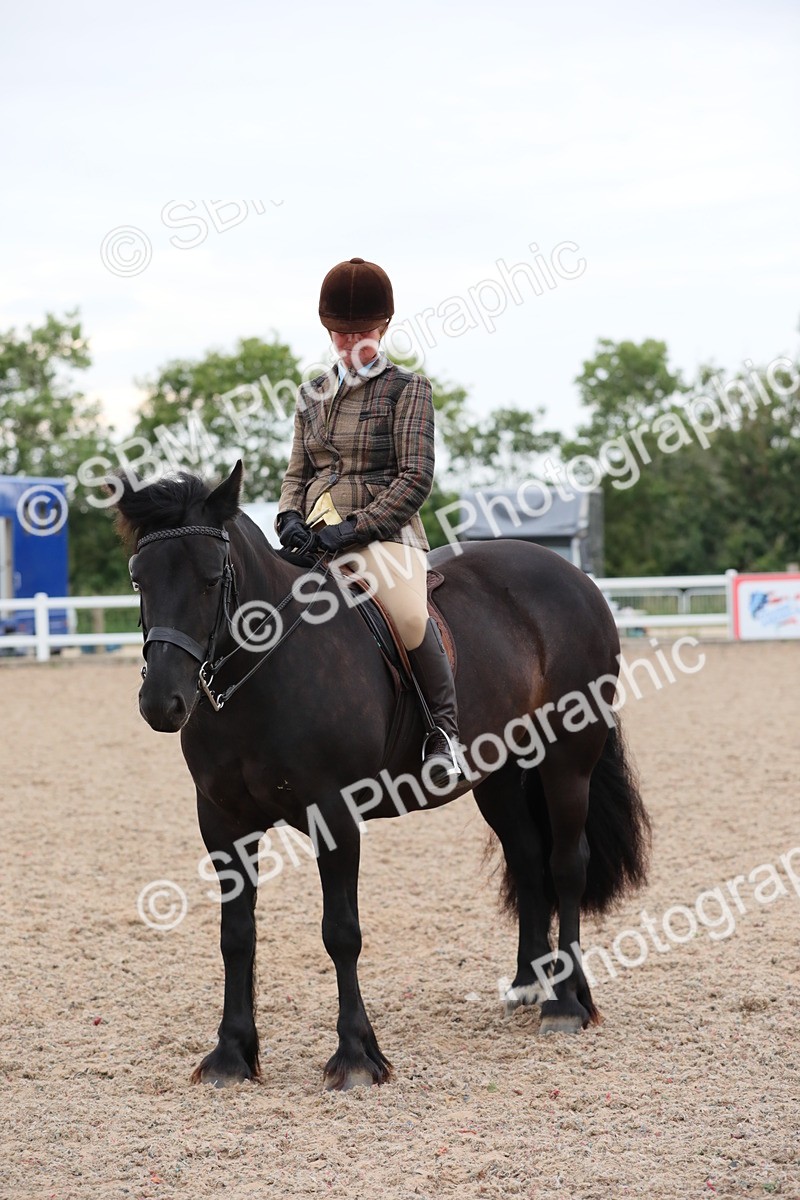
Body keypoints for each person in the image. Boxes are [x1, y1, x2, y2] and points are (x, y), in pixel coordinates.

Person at [276, 256, 462, 787]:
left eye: (360, 332)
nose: (350, 342)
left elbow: (415, 479)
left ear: (383, 328)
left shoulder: (409, 389)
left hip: (385, 535)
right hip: (313, 532)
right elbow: (297, 470)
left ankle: (443, 734)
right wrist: (288, 514)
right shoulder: (311, 394)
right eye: (339, 333)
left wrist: (355, 528)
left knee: (407, 616)